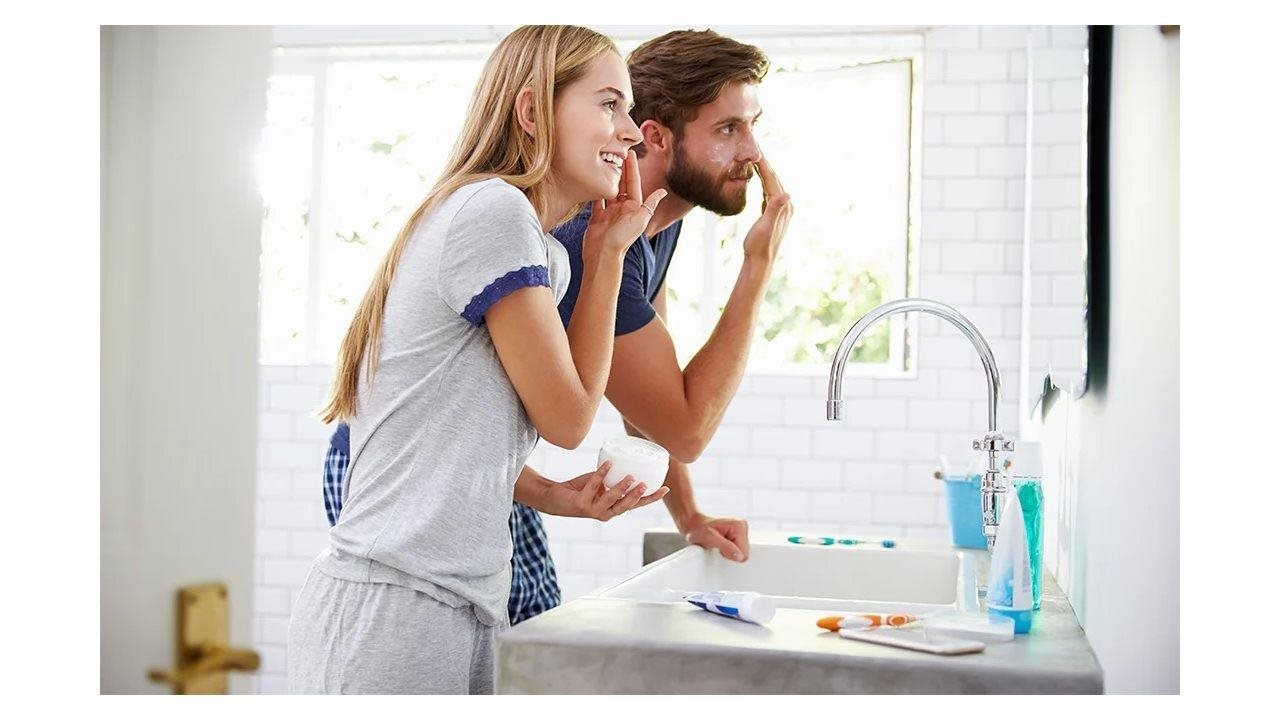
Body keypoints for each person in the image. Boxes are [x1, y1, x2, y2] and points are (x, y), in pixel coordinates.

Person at [322, 27, 793, 627]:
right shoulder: (566, 235)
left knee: (524, 640)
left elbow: (643, 402)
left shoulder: (637, 233)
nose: (754, 150)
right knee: (524, 640)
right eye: (730, 128)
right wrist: (758, 267)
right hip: (405, 471)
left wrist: (688, 516)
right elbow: (678, 427)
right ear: (655, 138)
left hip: (478, 460)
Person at [288, 25, 668, 694]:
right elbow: (571, 420)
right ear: (530, 112)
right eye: (610, 104)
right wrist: (608, 256)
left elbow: (450, 422)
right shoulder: (493, 212)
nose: (632, 132)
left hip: (451, 603)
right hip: (396, 607)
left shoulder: (539, 248)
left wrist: (551, 494)